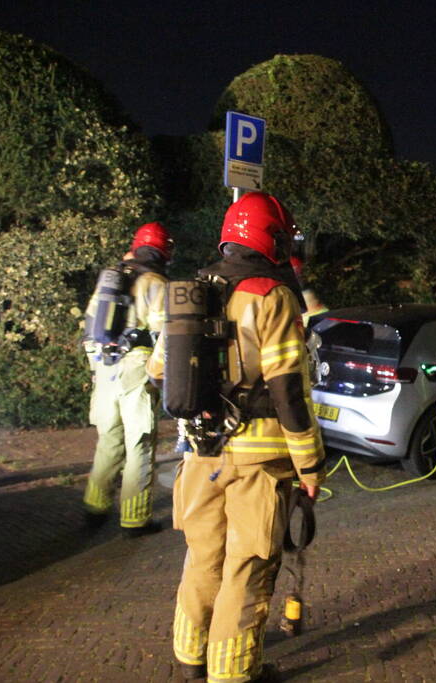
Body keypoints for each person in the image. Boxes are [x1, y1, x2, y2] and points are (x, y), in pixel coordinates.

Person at [149, 192, 325, 683]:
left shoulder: (194, 290)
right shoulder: (273, 295)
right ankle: (235, 672)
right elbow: (289, 390)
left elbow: (158, 368)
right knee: (248, 564)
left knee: (203, 556)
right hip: (259, 457)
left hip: (200, 451)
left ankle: (190, 659)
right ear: (273, 240)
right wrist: (310, 465)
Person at [82, 221, 173, 536]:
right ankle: (135, 519)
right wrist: (160, 374)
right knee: (140, 443)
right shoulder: (155, 283)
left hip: (106, 367)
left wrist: (98, 366)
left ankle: (95, 506)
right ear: (164, 251)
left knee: (108, 439)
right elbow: (165, 335)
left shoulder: (112, 279)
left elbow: (90, 328)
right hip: (137, 367)